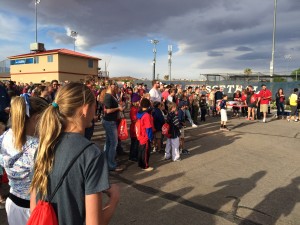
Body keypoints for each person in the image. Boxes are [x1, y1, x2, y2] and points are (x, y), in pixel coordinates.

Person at [30, 82, 120, 225]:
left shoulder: (43, 146)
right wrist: (114, 199)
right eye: (94, 105)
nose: (95, 109)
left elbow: (34, 208)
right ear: (85, 109)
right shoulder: (91, 154)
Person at [0, 95, 48, 225]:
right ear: (37, 119)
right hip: (33, 209)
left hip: (13, 204)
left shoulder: (5, 136)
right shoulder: (39, 147)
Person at [102, 81, 124, 172]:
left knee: (109, 143)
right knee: (113, 143)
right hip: (109, 121)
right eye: (116, 86)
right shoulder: (108, 96)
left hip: (111, 121)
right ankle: (111, 164)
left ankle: (107, 162)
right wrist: (118, 108)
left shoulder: (111, 96)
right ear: (111, 86)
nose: (117, 88)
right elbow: (107, 111)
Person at [136, 98, 154, 171]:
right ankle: (145, 165)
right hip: (145, 135)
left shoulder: (139, 113)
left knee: (141, 150)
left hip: (140, 134)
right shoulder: (146, 115)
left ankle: (140, 163)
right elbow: (148, 128)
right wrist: (150, 137)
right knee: (146, 152)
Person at [129, 93, 141, 162]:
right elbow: (134, 119)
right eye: (138, 101)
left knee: (135, 142)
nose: (139, 102)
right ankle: (133, 156)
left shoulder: (136, 108)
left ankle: (134, 155)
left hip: (136, 127)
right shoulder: (134, 109)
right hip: (134, 128)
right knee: (135, 143)